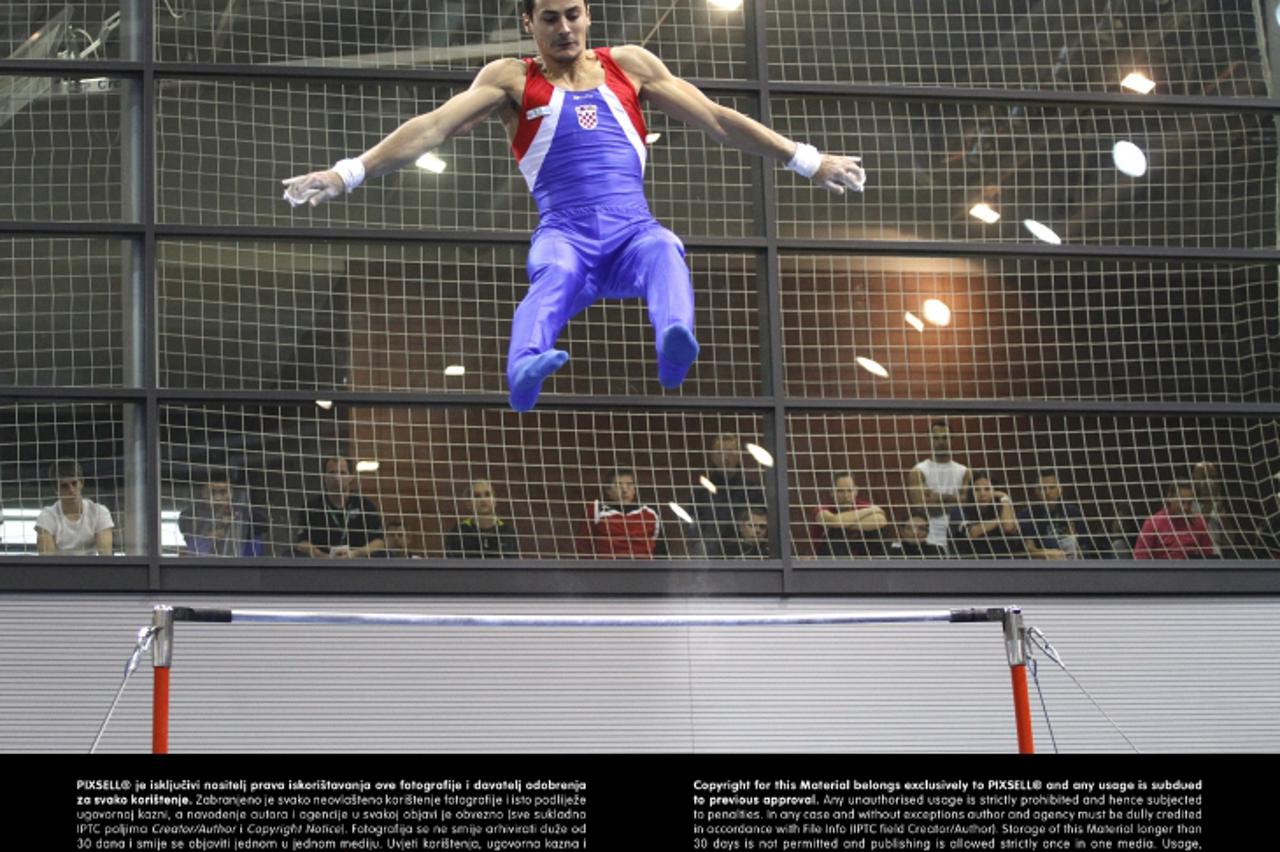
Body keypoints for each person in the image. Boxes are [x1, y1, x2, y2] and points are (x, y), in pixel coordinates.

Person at [281, 0, 866, 411]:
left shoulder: (629, 67)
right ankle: (523, 372)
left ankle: (674, 344)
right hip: (566, 233)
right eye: (550, 18)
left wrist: (808, 159)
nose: (565, 28)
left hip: (633, 232)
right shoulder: (510, 77)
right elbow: (433, 127)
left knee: (666, 246)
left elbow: (716, 119)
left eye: (574, 14)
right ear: (528, 23)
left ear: (589, 14)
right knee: (554, 271)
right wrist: (347, 172)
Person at [689, 433, 766, 557]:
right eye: (720, 453)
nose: (725, 458)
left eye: (730, 452)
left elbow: (762, 527)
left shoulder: (753, 490)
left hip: (749, 556)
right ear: (713, 457)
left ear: (739, 455)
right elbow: (693, 529)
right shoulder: (701, 493)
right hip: (712, 558)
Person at [294, 456, 386, 558]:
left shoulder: (365, 505)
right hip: (321, 563)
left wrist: (354, 554)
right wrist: (322, 556)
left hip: (358, 562)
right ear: (324, 476)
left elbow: (379, 542)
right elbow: (301, 543)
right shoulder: (311, 506)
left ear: (351, 477)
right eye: (332, 473)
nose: (337, 478)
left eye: (342, 473)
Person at [906, 420, 971, 555]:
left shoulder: (964, 471)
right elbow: (922, 508)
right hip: (930, 534)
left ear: (952, 439)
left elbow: (969, 504)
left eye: (945, 437)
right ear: (929, 440)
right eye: (936, 438)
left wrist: (939, 497)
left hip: (958, 531)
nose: (941, 442)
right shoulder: (918, 471)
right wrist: (957, 500)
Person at [578, 468, 664, 558]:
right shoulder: (597, 509)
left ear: (635, 489)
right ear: (608, 490)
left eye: (629, 485)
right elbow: (584, 545)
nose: (624, 490)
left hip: (643, 568)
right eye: (619, 485)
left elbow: (660, 549)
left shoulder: (649, 513)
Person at [179, 470, 266, 558]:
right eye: (212, 492)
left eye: (223, 492)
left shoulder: (244, 514)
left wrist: (235, 517)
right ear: (203, 493)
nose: (217, 498)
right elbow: (192, 542)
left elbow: (263, 524)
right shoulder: (190, 515)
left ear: (230, 493)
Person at [34, 460, 114, 556]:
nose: (71, 490)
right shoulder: (47, 516)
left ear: (82, 483)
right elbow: (46, 560)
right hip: (58, 569)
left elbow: (106, 555)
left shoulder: (99, 512)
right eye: (64, 486)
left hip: (92, 569)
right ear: (56, 490)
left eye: (74, 483)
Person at [1133, 480, 1217, 560]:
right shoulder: (1153, 522)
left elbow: (1207, 555)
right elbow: (1140, 556)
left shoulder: (1198, 522)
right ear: (1170, 497)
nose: (1186, 508)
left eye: (1190, 503)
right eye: (1182, 502)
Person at [811, 472, 889, 556]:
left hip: (860, 553)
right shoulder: (822, 508)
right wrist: (871, 510)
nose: (845, 495)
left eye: (849, 490)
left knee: (877, 531)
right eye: (840, 491)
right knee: (835, 531)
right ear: (831, 492)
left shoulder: (862, 505)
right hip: (828, 556)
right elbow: (834, 521)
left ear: (856, 491)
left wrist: (843, 522)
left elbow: (881, 520)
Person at [949, 471, 1023, 558]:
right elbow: (973, 533)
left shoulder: (1002, 509)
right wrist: (1000, 520)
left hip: (1003, 562)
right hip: (971, 563)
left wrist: (1004, 497)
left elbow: (1008, 527)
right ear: (971, 493)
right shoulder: (959, 511)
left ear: (995, 491)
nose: (982, 494)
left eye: (987, 489)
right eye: (977, 490)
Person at [1018, 469, 1088, 560]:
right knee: (1050, 542)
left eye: (1052, 488)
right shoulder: (1026, 514)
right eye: (1042, 488)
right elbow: (1029, 550)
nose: (1047, 493)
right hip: (1043, 562)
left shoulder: (1072, 512)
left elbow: (1083, 547)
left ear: (1060, 490)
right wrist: (1049, 554)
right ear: (1036, 491)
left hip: (1072, 561)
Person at [444, 479, 521, 558]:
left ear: (494, 500)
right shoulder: (458, 532)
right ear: (468, 503)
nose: (483, 500)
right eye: (477, 496)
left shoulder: (507, 532)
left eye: (487, 495)